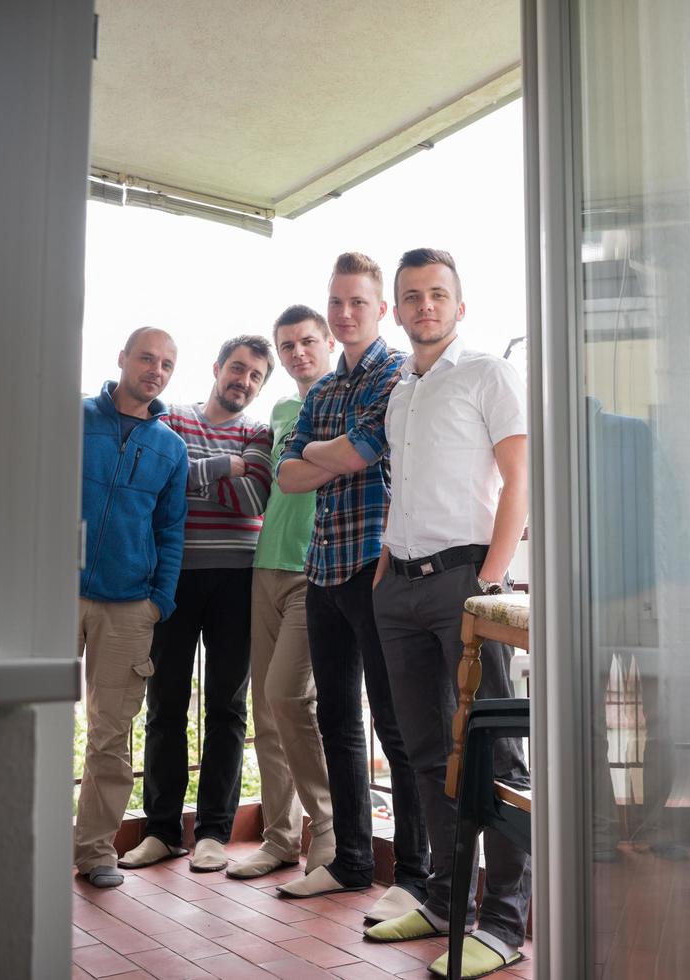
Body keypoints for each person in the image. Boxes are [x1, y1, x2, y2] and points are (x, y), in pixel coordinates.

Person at [365, 248, 531, 978]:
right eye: (410, 296)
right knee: (426, 750)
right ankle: (442, 902)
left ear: (458, 308)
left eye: (437, 294)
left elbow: (520, 477)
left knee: (494, 751)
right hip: (397, 586)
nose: (423, 306)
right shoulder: (400, 392)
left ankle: (503, 924)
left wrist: (489, 583)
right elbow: (405, 490)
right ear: (395, 311)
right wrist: (380, 571)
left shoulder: (490, 374)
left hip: (467, 580)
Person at [274, 253, 430, 925]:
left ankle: (418, 877)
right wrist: (321, 454)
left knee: (395, 725)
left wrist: (320, 454)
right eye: (335, 302)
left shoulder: (395, 374)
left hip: (374, 570)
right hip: (323, 570)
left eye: (356, 303)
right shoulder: (321, 392)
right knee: (335, 718)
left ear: (380, 310)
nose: (343, 314)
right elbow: (284, 475)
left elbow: (362, 453)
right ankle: (352, 862)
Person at [119, 336, 274, 873]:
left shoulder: (260, 432)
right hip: (175, 578)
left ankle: (213, 831)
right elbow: (163, 481)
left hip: (239, 580)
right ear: (217, 368)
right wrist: (225, 467)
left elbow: (255, 498)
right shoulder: (176, 420)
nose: (244, 381)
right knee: (164, 704)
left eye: (255, 376)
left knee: (228, 709)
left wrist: (206, 472)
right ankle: (162, 831)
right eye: (237, 368)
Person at [225, 305, 340, 880]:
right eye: (288, 345)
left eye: (307, 341)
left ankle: (329, 832)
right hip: (264, 565)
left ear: (327, 342)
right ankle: (278, 838)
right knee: (266, 709)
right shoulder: (282, 408)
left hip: (314, 570)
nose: (298, 353)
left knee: (290, 698)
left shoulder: (346, 401)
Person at [75, 327, 189, 889]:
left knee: (111, 734)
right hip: (55, 593)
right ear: (122, 358)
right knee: (33, 719)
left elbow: (171, 532)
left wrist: (157, 603)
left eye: (167, 363)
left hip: (128, 608)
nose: (156, 369)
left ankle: (95, 850)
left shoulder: (171, 448)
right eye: (147, 357)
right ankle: (22, 837)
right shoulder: (72, 418)